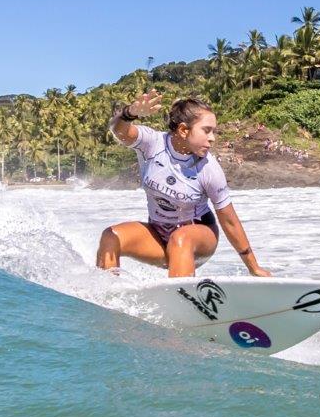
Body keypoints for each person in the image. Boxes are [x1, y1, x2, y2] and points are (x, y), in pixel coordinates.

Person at [97, 90, 271, 278]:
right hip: (158, 233)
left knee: (180, 239)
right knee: (111, 236)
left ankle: (182, 301)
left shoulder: (208, 168)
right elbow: (119, 131)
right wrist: (129, 112)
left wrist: (253, 267)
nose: (212, 138)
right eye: (206, 130)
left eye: (214, 131)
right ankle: (109, 293)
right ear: (183, 130)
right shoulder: (153, 143)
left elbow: (229, 221)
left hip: (198, 235)